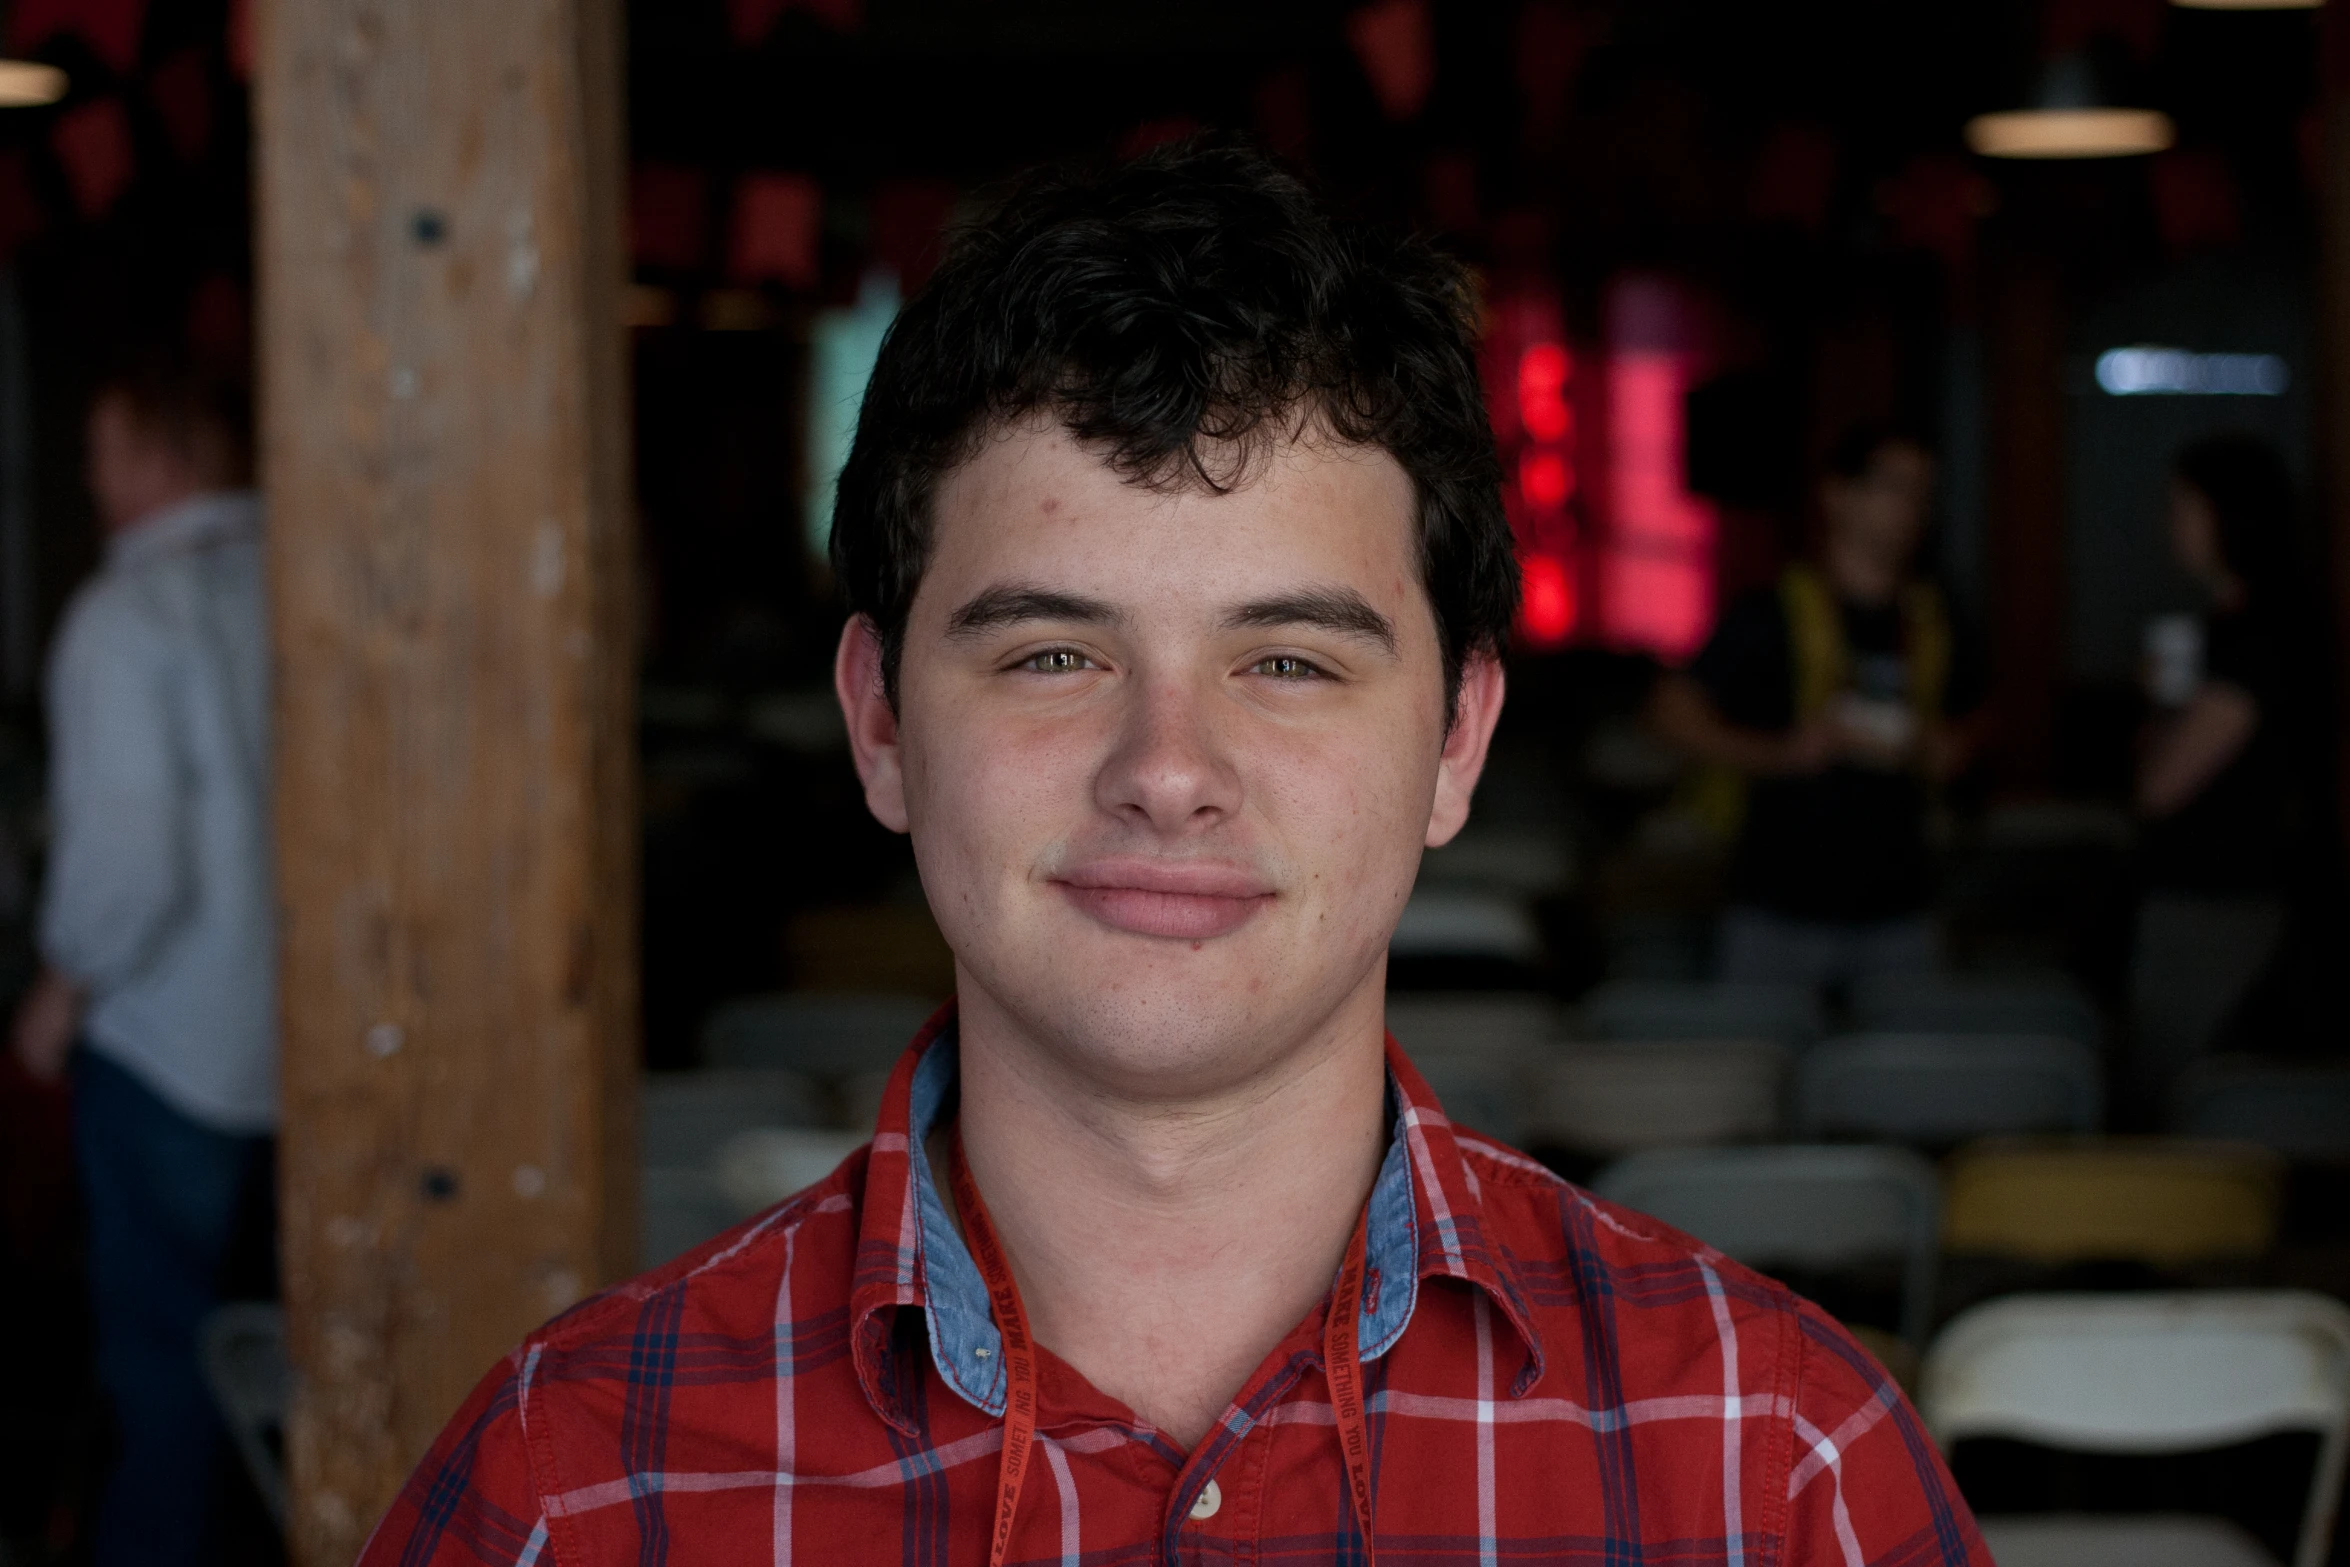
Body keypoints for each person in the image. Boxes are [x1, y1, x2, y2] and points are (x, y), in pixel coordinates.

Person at [363, 143, 1986, 1565]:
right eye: (1051, 655)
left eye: (1288, 660)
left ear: (1457, 742)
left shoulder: (1782, 1464)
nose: (1167, 772)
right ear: (877, 723)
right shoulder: (566, 1491)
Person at [11, 352, 274, 1567]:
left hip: (173, 1046)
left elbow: (130, 865)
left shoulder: (126, 618)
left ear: (170, 459)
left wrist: (60, 986)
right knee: (275, 1358)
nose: (92, 476)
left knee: (162, 1367)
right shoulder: (296, 577)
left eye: (109, 451)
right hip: (303, 1045)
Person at [1654, 427, 1984, 987]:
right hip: (1778, 901)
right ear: (1839, 496)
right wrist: (1780, 754)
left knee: (1897, 1070)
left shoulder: (1935, 616)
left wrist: (1948, 749)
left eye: (1923, 492)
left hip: (1901, 901)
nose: (1911, 507)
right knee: (1760, 1063)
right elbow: (1669, 711)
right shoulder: (1770, 612)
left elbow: (1976, 714)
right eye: (1895, 486)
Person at [2131, 433, 2311, 1094]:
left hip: (2224, 901)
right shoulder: (2223, 631)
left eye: (2183, 505)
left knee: (2191, 1086)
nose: (2170, 523)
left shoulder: (2259, 635)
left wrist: (2165, 713)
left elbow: (2161, 785)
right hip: (2209, 892)